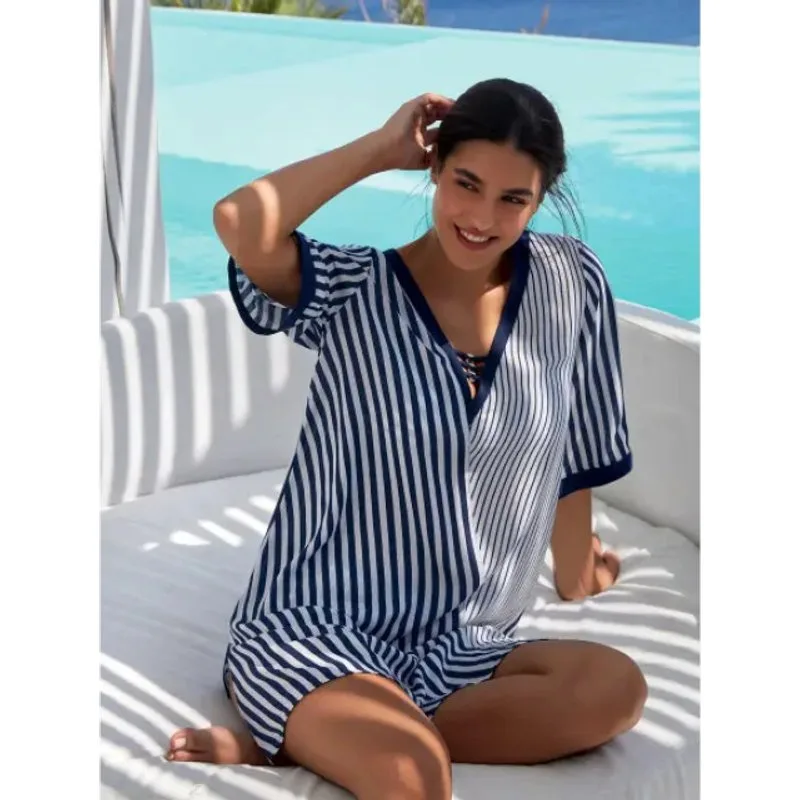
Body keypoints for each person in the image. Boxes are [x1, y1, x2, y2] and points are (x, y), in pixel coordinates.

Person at [166, 78, 647, 799]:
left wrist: (577, 572)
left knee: (613, 688)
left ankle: (299, 743)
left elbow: (574, 450)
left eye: (512, 199)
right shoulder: (351, 289)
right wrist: (379, 148)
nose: (481, 218)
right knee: (414, 776)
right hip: (321, 628)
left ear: (541, 199)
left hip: (466, 645)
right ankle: (327, 723)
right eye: (466, 184)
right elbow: (240, 222)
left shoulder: (570, 282)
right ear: (434, 168)